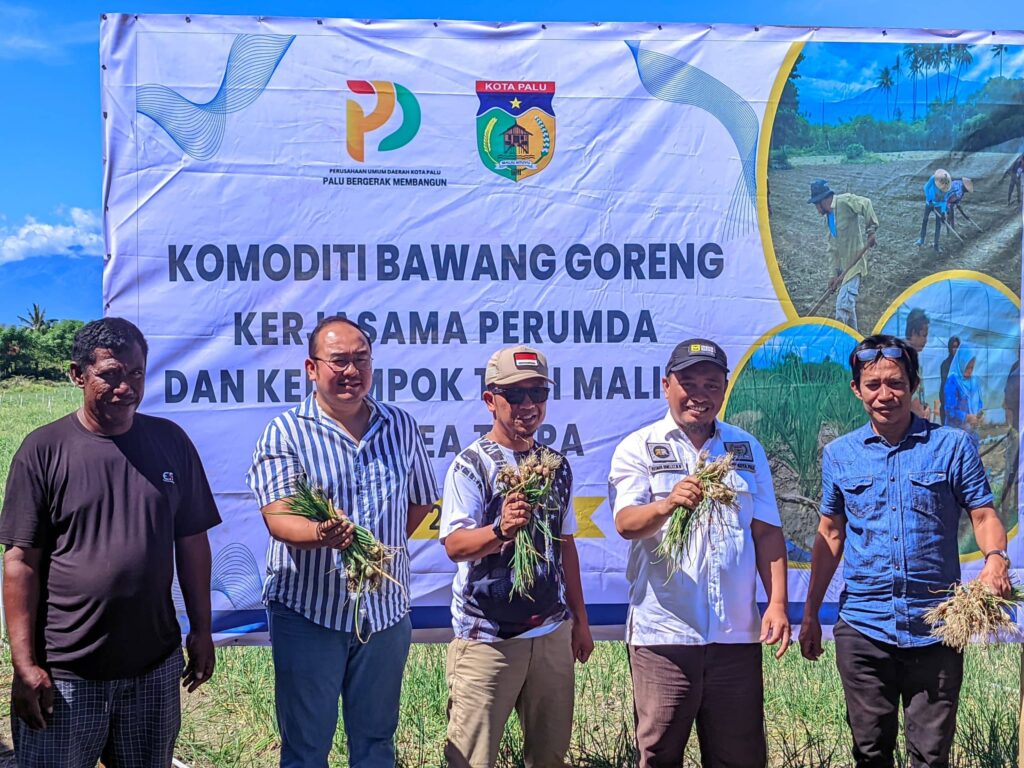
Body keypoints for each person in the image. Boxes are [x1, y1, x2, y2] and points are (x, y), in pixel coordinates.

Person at [0, 317, 220, 767]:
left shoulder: (170, 443)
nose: (126, 387)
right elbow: (20, 562)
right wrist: (24, 666)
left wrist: (202, 628)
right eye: (111, 375)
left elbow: (192, 541)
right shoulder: (43, 450)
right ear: (78, 375)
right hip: (65, 673)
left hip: (153, 670)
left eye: (136, 373)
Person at [800, 334, 1011, 768]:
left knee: (930, 757)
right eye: (873, 384)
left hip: (936, 629)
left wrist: (995, 561)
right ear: (856, 389)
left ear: (913, 384)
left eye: (895, 382)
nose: (885, 395)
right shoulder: (839, 455)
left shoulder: (953, 446)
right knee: (869, 751)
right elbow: (831, 535)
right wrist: (809, 614)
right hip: (863, 629)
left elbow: (984, 516)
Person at [246, 315, 438, 768]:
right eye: (338, 361)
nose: (351, 371)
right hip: (310, 611)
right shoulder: (286, 432)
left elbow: (418, 504)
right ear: (312, 369)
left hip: (385, 613)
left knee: (375, 743)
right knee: (307, 747)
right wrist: (321, 534)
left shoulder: (400, 425)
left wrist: (373, 552)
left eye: (361, 360)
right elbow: (278, 516)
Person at [609, 338, 790, 768]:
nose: (699, 395)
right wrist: (667, 503)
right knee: (660, 754)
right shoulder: (638, 447)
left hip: (736, 634)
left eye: (711, 384)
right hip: (665, 634)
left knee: (740, 757)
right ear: (666, 385)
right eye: (688, 383)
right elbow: (625, 523)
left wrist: (778, 603)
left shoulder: (745, 449)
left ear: (724, 389)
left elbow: (766, 533)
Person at [439, 345, 593, 768]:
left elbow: (565, 546)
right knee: (471, 761)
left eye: (538, 393)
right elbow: (454, 546)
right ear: (491, 400)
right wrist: (500, 530)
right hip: (487, 638)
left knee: (549, 758)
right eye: (515, 393)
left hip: (549, 633)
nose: (528, 405)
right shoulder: (471, 465)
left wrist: (579, 620)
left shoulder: (555, 465)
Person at [808, 179, 879, 332]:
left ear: (824, 200)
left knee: (842, 308)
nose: (816, 209)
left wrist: (871, 231)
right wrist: (833, 275)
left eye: (816, 204)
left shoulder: (844, 201)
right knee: (849, 310)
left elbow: (866, 203)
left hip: (855, 263)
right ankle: (857, 342)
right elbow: (832, 250)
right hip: (843, 270)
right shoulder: (828, 221)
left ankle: (841, 346)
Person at [943, 343, 984, 449]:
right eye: (967, 367)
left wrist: (979, 415)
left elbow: (978, 402)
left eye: (972, 368)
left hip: (970, 431)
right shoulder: (953, 382)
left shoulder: (973, 381)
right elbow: (949, 410)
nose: (970, 371)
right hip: (955, 432)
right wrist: (966, 417)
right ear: (961, 363)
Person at [916, 169, 952, 253]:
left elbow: (944, 200)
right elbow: (926, 188)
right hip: (929, 203)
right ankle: (921, 239)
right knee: (925, 220)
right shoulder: (933, 179)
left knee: (938, 224)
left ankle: (936, 245)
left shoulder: (948, 187)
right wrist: (930, 200)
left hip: (939, 205)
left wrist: (943, 212)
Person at [905, 308, 930, 420]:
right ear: (913, 333)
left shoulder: (915, 357)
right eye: (924, 335)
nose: (926, 340)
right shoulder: (903, 358)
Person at [939, 335, 961, 424]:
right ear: (950, 348)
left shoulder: (962, 364)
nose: (955, 350)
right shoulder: (945, 364)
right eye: (953, 347)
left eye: (957, 347)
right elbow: (945, 383)